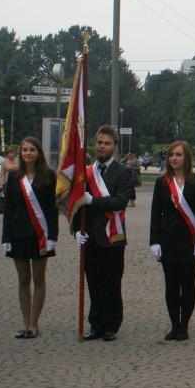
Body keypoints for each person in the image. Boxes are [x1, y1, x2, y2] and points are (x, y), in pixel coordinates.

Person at [74, 125, 134, 342]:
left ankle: (111, 325)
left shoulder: (123, 173)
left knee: (111, 283)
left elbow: (120, 201)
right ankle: (96, 324)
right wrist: (75, 231)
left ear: (114, 147)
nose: (102, 146)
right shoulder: (86, 173)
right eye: (99, 142)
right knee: (94, 282)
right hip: (90, 237)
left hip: (113, 236)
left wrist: (94, 201)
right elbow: (77, 205)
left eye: (106, 143)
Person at [149, 140, 195, 341]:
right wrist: (154, 241)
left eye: (178, 155)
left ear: (186, 158)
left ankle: (184, 326)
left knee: (188, 283)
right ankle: (174, 324)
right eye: (171, 155)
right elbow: (155, 213)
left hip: (189, 240)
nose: (174, 158)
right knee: (171, 284)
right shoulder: (161, 183)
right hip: (168, 240)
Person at [1, 137, 59, 339]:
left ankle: (34, 324)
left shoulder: (49, 176)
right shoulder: (15, 176)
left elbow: (52, 210)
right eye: (24, 149)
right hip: (18, 234)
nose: (28, 153)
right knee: (23, 279)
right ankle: (25, 323)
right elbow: (8, 208)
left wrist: (53, 236)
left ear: (38, 153)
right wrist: (5, 237)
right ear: (20, 153)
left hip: (40, 235)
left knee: (38, 278)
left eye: (32, 149)